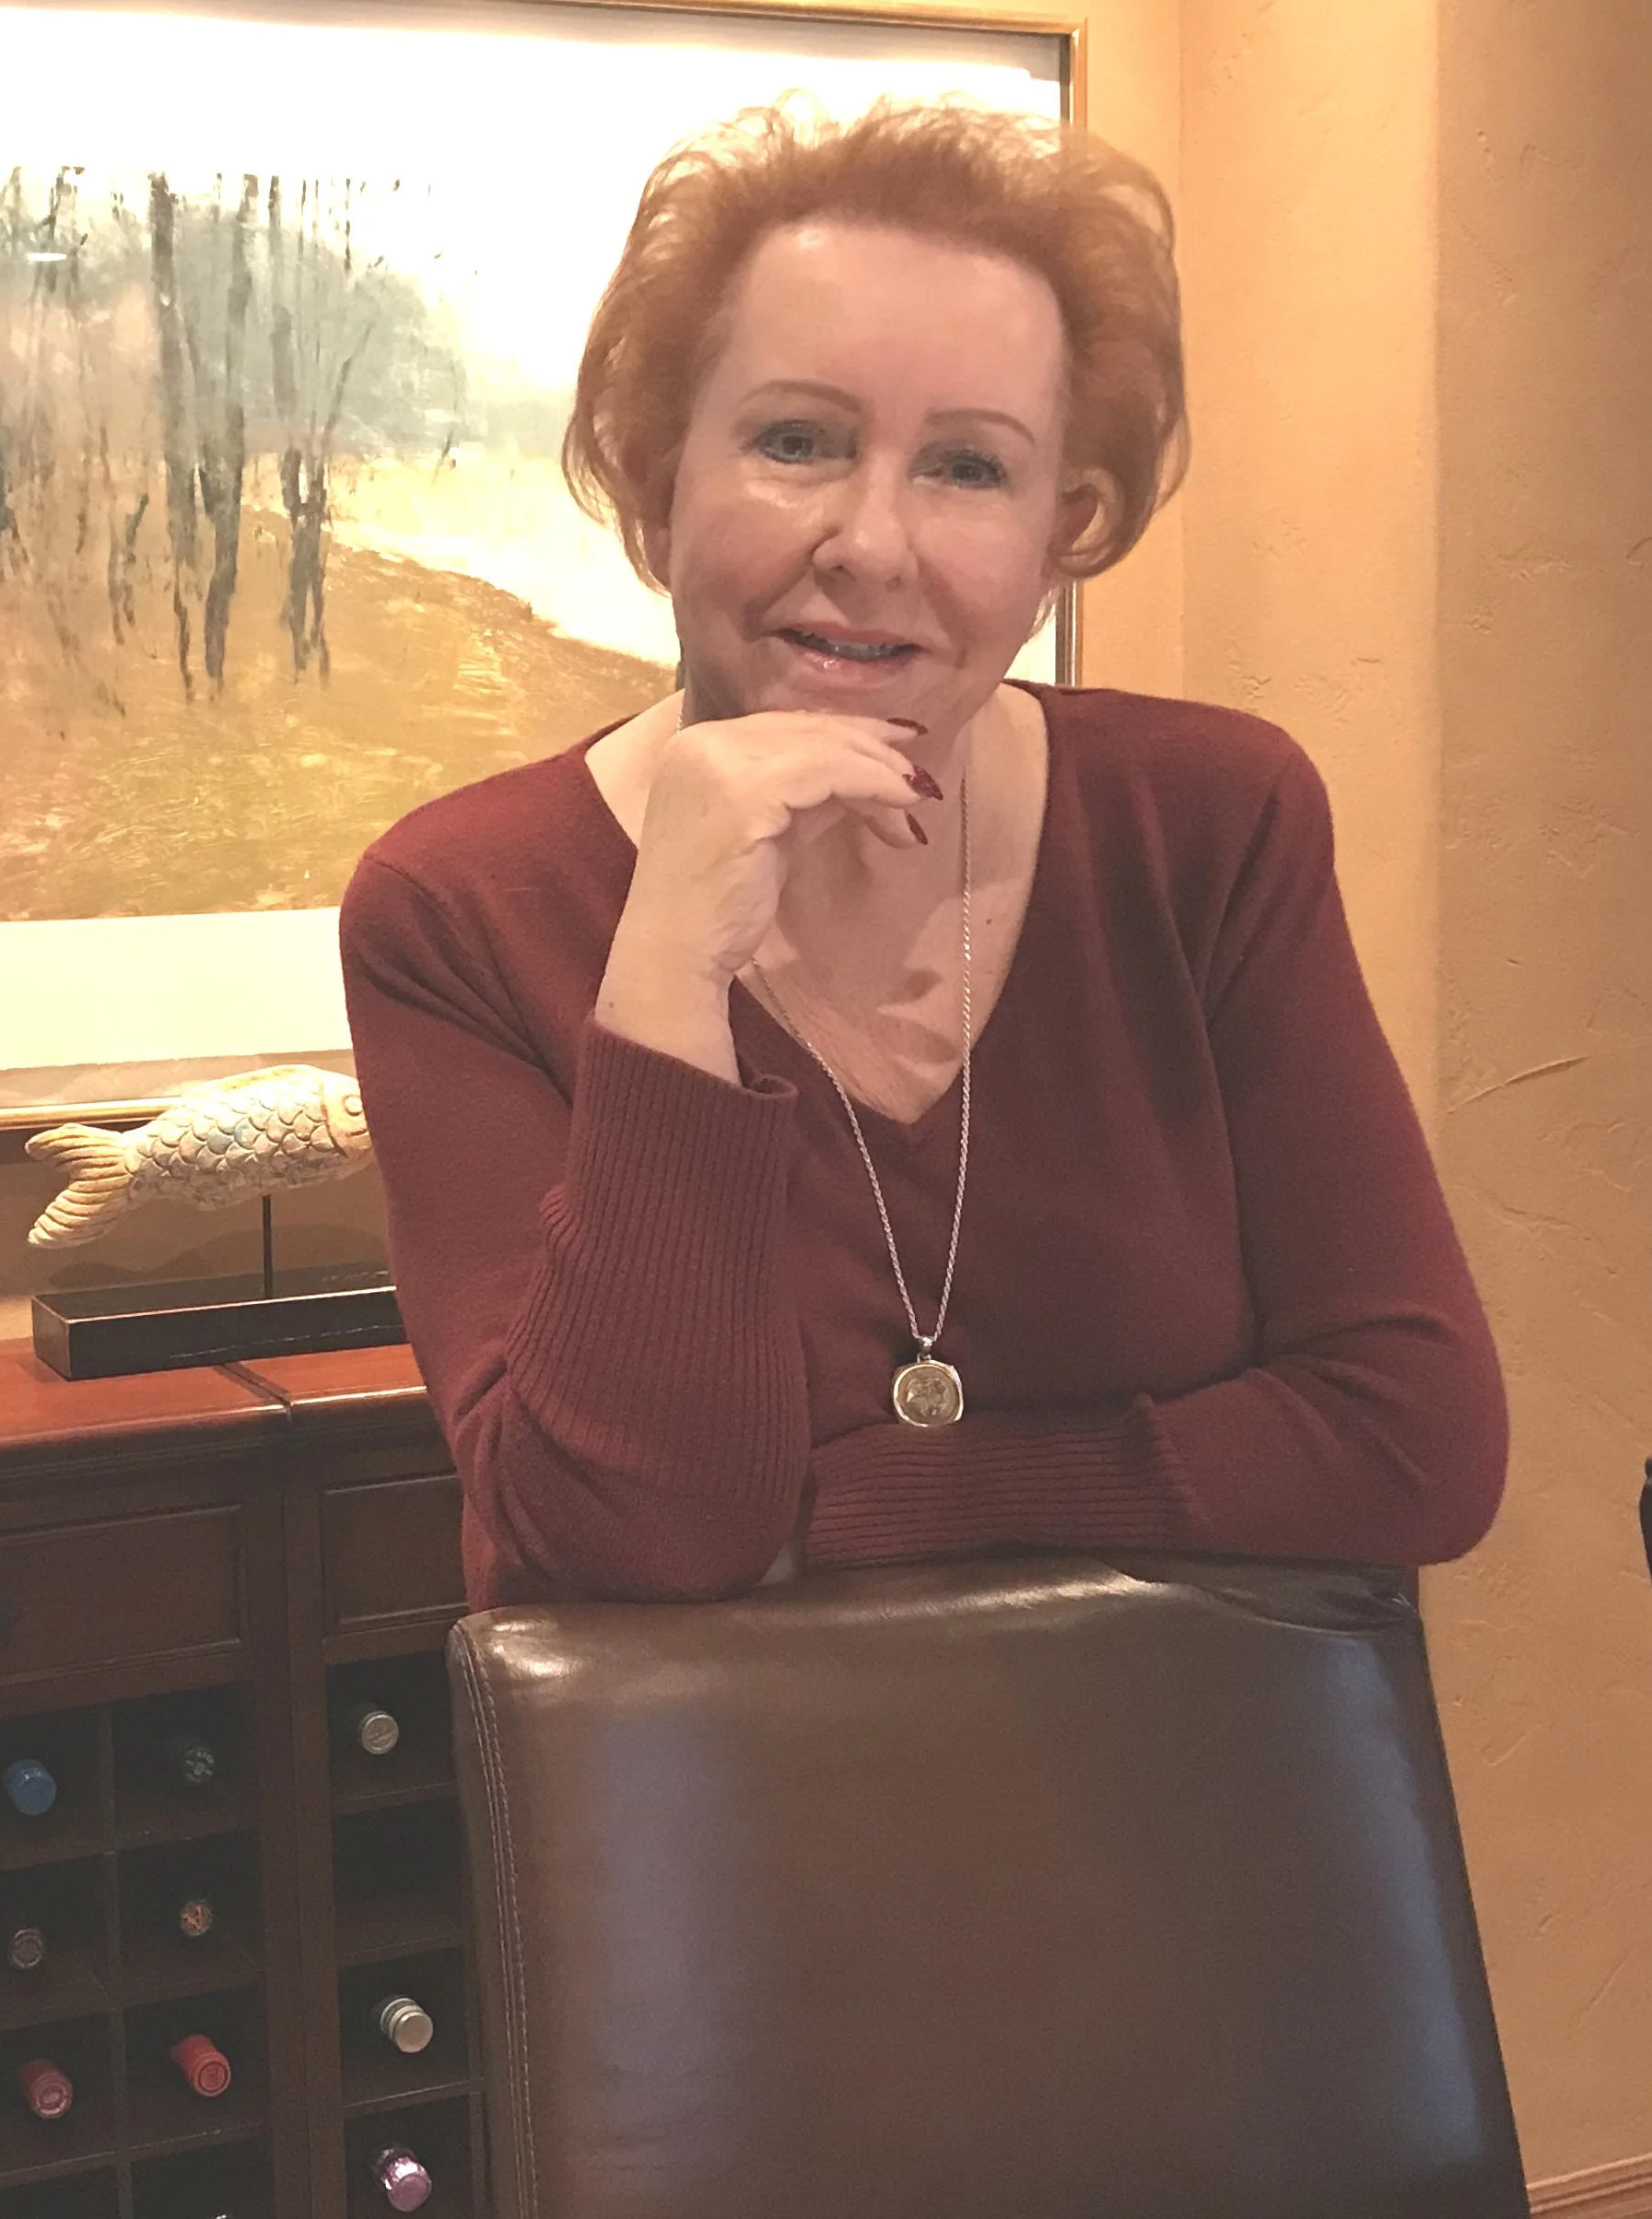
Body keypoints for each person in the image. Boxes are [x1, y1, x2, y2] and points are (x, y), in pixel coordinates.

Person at [339, 99, 1507, 1607]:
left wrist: (853, 1504)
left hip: (1165, 1813)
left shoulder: (1206, 824)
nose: (873, 544)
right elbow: (626, 1535)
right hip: (717, 1830)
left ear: (1058, 532)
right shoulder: (460, 908)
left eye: (967, 468)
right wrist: (668, 973)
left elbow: (1410, 1438)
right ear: (651, 478)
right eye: (796, 442)